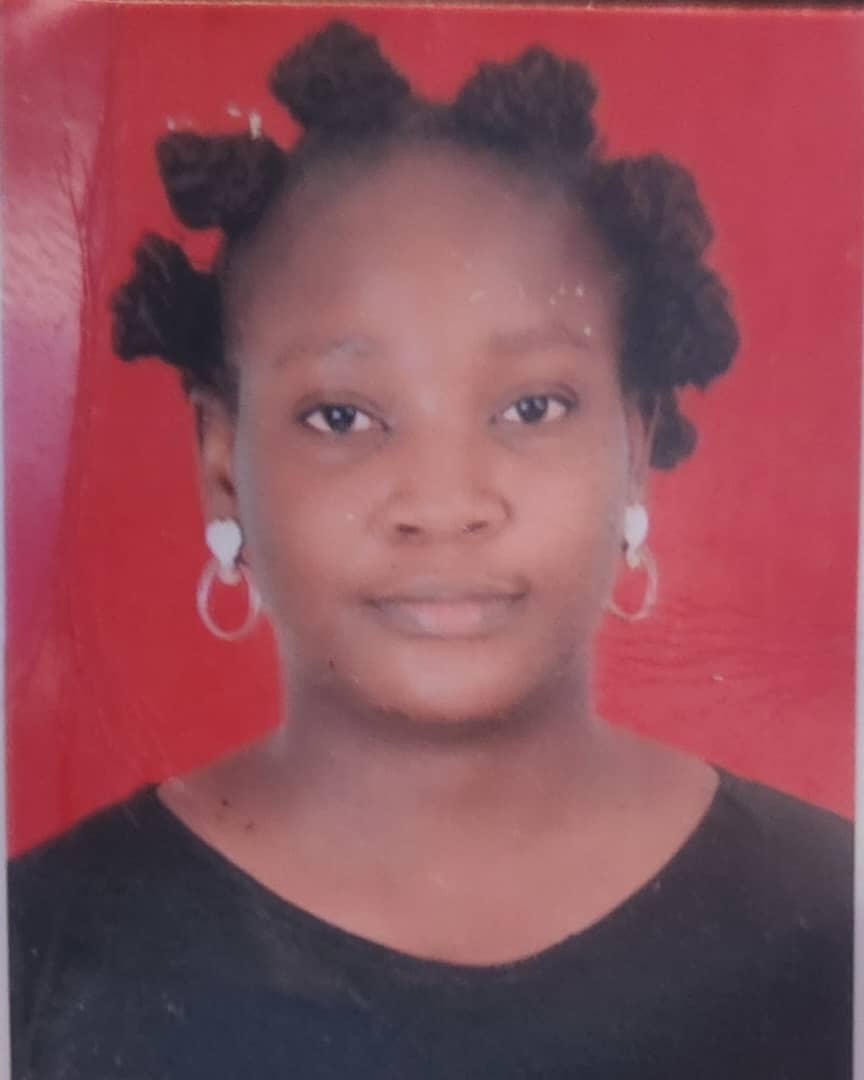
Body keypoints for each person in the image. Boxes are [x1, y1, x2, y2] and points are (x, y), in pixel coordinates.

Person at [9, 20, 852, 1080]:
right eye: (344, 417)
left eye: (533, 406)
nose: (444, 505)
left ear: (634, 448)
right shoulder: (40, 943)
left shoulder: (833, 916)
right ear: (223, 463)